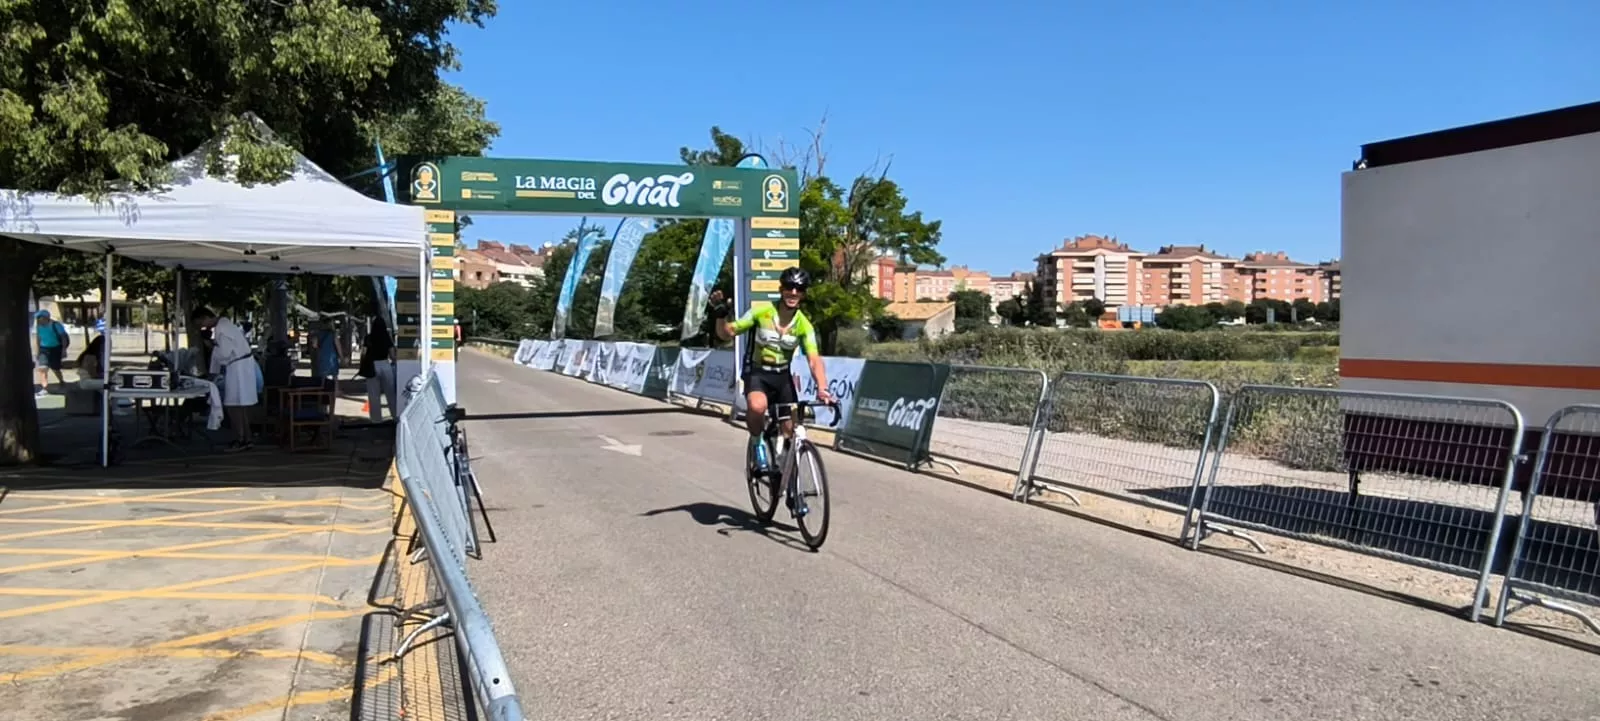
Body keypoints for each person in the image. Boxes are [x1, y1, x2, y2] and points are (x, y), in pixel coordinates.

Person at [710, 267, 833, 473]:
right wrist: (721, 314)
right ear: (781, 289)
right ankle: (757, 442)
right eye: (789, 287)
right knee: (757, 407)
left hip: (782, 376)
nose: (793, 292)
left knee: (790, 430)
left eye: (799, 289)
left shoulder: (804, 325)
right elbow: (727, 333)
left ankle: (787, 474)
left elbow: (814, 360)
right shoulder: (762, 311)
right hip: (758, 373)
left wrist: (823, 388)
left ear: (803, 293)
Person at [191, 306, 258, 452]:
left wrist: (211, 346)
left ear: (205, 318)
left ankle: (240, 439)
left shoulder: (222, 330)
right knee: (241, 404)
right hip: (241, 366)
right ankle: (247, 437)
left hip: (237, 367)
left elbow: (224, 354)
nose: (202, 327)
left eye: (200, 323)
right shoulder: (225, 325)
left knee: (233, 405)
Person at [358, 315, 396, 422]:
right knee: (390, 393)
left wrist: (362, 365)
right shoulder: (386, 337)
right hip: (385, 364)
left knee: (373, 394)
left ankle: (376, 419)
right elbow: (392, 355)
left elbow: (364, 353)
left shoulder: (368, 337)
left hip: (372, 366)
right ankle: (394, 415)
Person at [33, 310, 68, 396]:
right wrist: (37, 351)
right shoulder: (38, 327)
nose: (38, 320)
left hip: (55, 349)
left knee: (55, 368)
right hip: (44, 349)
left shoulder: (56, 325)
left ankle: (62, 382)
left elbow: (63, 337)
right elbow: (38, 339)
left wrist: (64, 349)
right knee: (43, 368)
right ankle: (44, 388)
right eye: (38, 318)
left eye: (40, 317)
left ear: (46, 318)